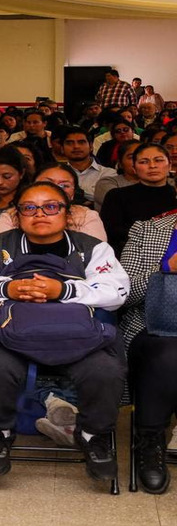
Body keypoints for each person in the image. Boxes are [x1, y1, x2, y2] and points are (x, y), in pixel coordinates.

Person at [0, 181, 129, 482]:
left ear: (67, 213)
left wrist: (63, 290)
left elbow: (117, 292)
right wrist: (8, 288)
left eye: (51, 207)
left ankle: (93, 435)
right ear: (17, 214)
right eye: (29, 208)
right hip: (11, 336)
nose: (40, 214)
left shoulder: (92, 248)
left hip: (76, 337)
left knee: (105, 370)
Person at [119, 210, 177, 492]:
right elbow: (124, 293)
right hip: (151, 328)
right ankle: (150, 440)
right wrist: (166, 268)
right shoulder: (146, 230)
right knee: (169, 353)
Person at [0, 163, 107, 241]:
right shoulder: (12, 216)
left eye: (64, 185)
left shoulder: (87, 216)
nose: (54, 189)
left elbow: (97, 256)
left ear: (73, 193)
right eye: (47, 183)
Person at [99, 144, 177, 254]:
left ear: (170, 165)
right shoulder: (117, 196)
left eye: (158, 160)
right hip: (131, 255)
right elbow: (112, 233)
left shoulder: (175, 195)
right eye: (144, 162)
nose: (152, 166)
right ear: (134, 168)